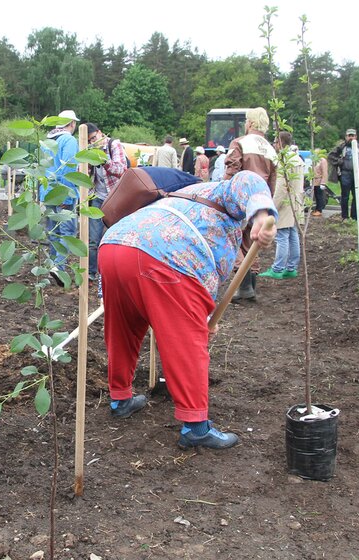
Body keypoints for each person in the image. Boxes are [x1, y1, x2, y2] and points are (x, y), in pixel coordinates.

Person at [99, 170, 277, 449]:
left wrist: (204, 316)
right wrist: (263, 215)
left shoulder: (179, 200)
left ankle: (120, 399)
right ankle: (196, 427)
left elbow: (203, 277)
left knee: (123, 328)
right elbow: (249, 179)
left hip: (114, 245)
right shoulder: (220, 192)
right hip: (165, 255)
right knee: (187, 343)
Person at [223, 107, 277, 302]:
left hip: (241, 198)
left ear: (250, 122)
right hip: (261, 200)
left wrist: (223, 194)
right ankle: (250, 284)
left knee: (232, 239)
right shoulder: (271, 149)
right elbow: (272, 181)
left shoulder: (240, 143)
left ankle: (242, 283)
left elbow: (232, 170)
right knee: (250, 241)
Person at [86, 123, 128, 280]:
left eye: (93, 138)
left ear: (99, 133)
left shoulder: (113, 144)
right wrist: (88, 163)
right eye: (89, 141)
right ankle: (92, 273)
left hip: (115, 197)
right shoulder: (89, 151)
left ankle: (116, 272)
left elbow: (121, 170)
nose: (92, 142)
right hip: (97, 197)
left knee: (116, 236)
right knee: (93, 239)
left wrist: (104, 160)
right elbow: (83, 175)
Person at [41, 109, 80, 276]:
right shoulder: (69, 140)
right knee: (66, 231)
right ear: (71, 124)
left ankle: (52, 265)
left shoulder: (48, 140)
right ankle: (59, 268)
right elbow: (69, 167)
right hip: (62, 192)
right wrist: (68, 195)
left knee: (53, 232)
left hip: (48, 192)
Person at [260, 134, 304, 279]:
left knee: (282, 236)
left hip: (285, 204)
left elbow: (281, 188)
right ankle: (291, 268)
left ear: (280, 143)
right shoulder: (298, 159)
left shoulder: (285, 161)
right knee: (293, 235)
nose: (274, 145)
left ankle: (277, 269)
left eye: (275, 142)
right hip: (296, 202)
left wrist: (272, 207)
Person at [327, 129, 359, 220]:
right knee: (345, 196)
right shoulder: (341, 147)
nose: (351, 137)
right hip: (345, 174)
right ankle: (345, 216)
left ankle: (354, 216)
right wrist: (340, 162)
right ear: (346, 137)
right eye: (349, 136)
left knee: (356, 196)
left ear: (356, 137)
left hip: (357, 174)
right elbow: (330, 156)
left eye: (353, 135)